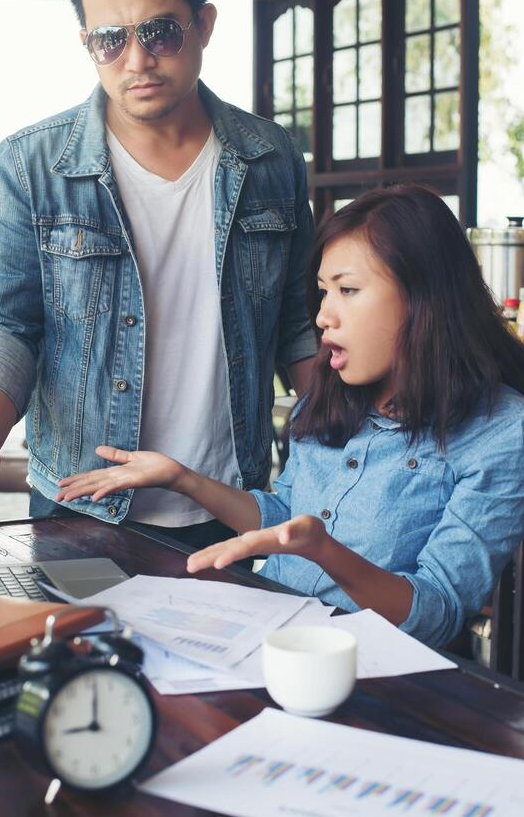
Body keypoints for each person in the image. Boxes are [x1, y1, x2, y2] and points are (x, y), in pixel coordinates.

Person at [0, 0, 317, 547]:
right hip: (80, 501)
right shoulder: (30, 164)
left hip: (231, 500)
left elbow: (300, 323)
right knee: (75, 647)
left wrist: (347, 450)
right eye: (110, 39)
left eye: (160, 31)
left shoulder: (270, 159)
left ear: (204, 25)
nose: (137, 60)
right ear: (87, 43)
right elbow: (2, 320)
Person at [55, 185, 524, 647]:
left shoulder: (501, 431)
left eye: (348, 290)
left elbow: (436, 614)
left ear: (426, 296)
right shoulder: (330, 398)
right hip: (268, 637)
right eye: (323, 292)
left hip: (377, 675)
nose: (323, 316)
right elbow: (286, 517)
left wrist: (323, 551)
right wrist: (182, 479)